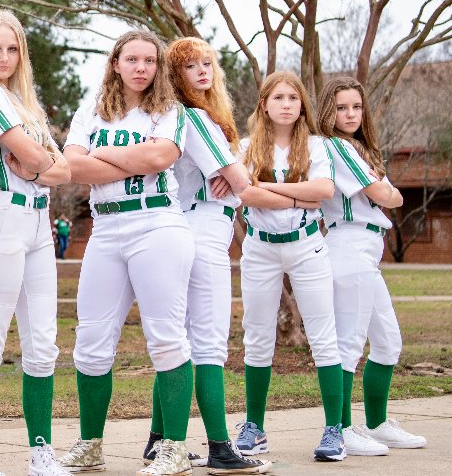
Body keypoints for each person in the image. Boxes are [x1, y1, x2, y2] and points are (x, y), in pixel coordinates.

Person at [53, 29, 196, 476]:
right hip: (106, 228)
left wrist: (102, 157)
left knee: (166, 338)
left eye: (149, 61)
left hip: (156, 223)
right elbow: (71, 166)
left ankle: (173, 448)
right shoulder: (91, 110)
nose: (141, 68)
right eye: (132, 59)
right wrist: (132, 156)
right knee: (91, 342)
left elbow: (158, 160)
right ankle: (91, 444)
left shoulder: (169, 110)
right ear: (115, 63)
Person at [0, 9, 73, 476]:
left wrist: (40, 167)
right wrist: (40, 163)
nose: (3, 57)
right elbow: (33, 157)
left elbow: (62, 170)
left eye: (12, 48)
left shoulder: (26, 104)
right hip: (2, 215)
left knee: (43, 345)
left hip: (40, 222)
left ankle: (41, 453)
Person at [151, 37, 270, 474]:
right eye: (190, 66)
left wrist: (236, 177)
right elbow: (242, 182)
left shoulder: (194, 116)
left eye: (207, 63)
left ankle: (158, 441)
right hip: (201, 227)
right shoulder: (194, 116)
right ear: (174, 74)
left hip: (198, 225)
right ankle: (220, 447)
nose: (202, 71)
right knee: (208, 341)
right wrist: (238, 180)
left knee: (181, 340)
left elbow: (237, 177)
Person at [233, 71, 346, 463]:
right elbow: (244, 193)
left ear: (302, 106)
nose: (286, 104)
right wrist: (300, 198)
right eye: (278, 97)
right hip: (260, 247)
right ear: (263, 104)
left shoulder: (316, 146)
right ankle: (254, 427)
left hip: (306, 245)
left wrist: (268, 189)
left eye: (293, 98)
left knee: (323, 336)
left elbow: (324, 191)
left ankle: (334, 430)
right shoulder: (245, 147)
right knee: (257, 337)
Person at [318, 76, 425, 454]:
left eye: (356, 107)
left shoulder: (361, 148)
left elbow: (391, 195)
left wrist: (386, 191)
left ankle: (376, 424)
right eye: (341, 107)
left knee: (387, 341)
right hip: (348, 244)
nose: (350, 114)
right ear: (328, 112)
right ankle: (341, 429)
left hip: (366, 249)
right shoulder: (337, 146)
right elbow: (387, 195)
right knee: (348, 343)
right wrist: (385, 190)